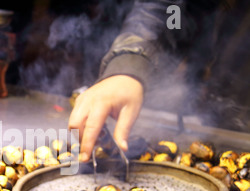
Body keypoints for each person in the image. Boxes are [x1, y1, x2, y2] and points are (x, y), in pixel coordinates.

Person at [68, 0, 235, 162]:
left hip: (227, 107)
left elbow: (172, 13)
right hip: (193, 91)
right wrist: (129, 65)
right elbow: (171, 13)